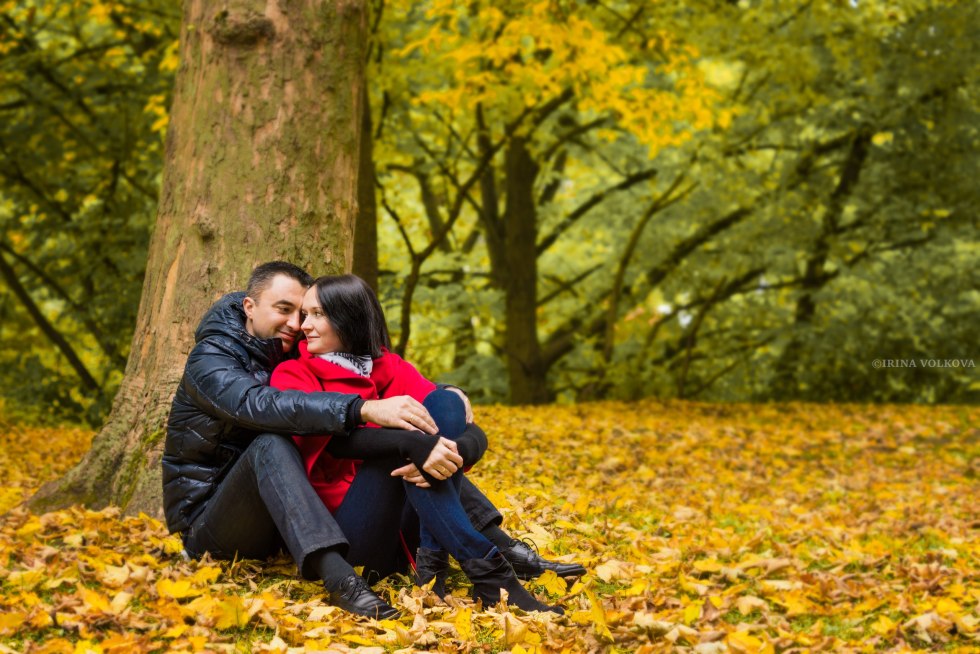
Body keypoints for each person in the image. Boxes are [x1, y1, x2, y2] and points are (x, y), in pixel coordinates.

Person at [162, 262, 584, 619]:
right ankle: (342, 579)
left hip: (285, 519)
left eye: (305, 313)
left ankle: (491, 555)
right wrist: (367, 413)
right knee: (275, 444)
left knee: (433, 420)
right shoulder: (213, 360)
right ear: (249, 307)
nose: (297, 324)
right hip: (212, 519)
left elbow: (424, 405)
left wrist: (451, 401)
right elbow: (264, 404)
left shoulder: (290, 351)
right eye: (285, 310)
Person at [271, 274, 561, 613]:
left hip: (412, 525)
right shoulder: (293, 374)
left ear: (349, 317)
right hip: (353, 539)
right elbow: (337, 445)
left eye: (318, 314)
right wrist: (412, 445)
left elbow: (468, 430)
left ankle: (436, 558)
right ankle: (486, 567)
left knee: (446, 402)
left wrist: (458, 444)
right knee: (399, 452)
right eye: (305, 314)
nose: (304, 325)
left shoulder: (386, 366)